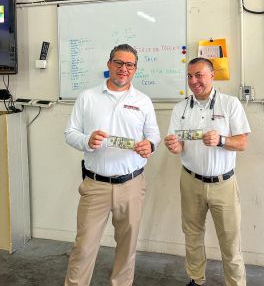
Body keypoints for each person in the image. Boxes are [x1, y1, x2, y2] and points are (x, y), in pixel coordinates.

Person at [64, 44, 161, 286]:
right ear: (109, 65)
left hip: (131, 185)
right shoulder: (88, 97)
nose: (123, 69)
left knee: (127, 250)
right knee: (83, 248)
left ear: (135, 69)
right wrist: (87, 140)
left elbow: (154, 135)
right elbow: (70, 133)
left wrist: (149, 144)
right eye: (118, 63)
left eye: (129, 65)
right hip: (95, 185)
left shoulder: (143, 101)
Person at [164, 57, 250, 286]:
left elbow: (242, 142)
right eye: (190, 76)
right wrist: (174, 146)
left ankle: (236, 283)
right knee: (192, 236)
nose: (194, 81)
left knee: (230, 242)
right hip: (190, 181)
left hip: (224, 184)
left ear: (212, 75)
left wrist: (221, 139)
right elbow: (179, 144)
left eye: (199, 75)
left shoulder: (230, 104)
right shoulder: (180, 108)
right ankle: (196, 279)